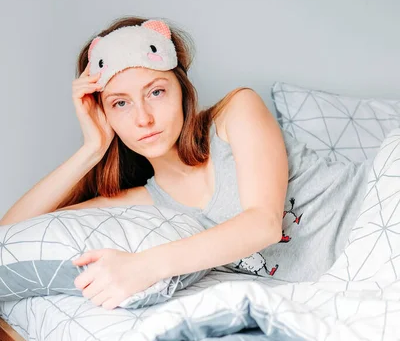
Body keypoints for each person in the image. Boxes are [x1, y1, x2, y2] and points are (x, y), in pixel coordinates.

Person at [0, 16, 372, 310]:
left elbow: (263, 225)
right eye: (120, 104)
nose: (143, 118)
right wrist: (92, 148)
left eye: (156, 92)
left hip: (377, 211)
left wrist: (142, 267)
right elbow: (11, 232)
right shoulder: (144, 202)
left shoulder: (236, 112)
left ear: (182, 92)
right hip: (361, 274)